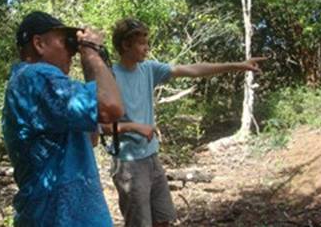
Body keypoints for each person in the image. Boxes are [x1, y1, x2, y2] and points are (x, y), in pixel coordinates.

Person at [105, 18, 265, 227]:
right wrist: (134, 127)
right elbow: (104, 128)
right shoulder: (109, 76)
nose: (147, 48)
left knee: (163, 219)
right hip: (129, 164)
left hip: (152, 158)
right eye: (142, 43)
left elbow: (192, 69)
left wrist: (238, 66)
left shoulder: (149, 69)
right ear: (126, 45)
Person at [2, 11, 124, 227]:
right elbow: (111, 107)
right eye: (65, 41)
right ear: (38, 43)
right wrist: (91, 50)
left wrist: (89, 60)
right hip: (60, 218)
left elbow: (92, 138)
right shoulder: (35, 77)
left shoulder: (31, 84)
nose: (72, 50)